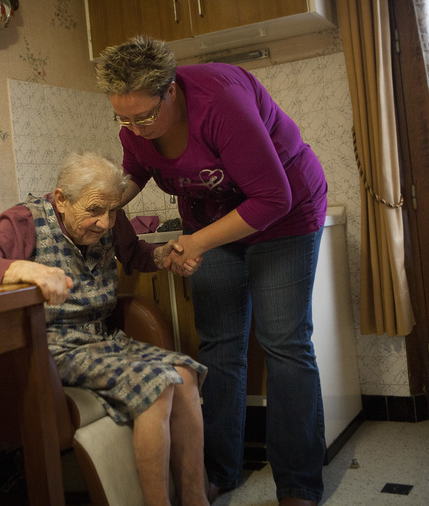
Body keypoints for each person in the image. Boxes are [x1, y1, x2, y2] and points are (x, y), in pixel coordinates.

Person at [94, 36, 329, 506]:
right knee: (220, 346)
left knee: (284, 343)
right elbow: (135, 171)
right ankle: (221, 470)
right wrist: (98, 203)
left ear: (171, 92)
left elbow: (273, 197)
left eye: (144, 117)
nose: (135, 129)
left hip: (284, 216)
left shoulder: (220, 103)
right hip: (211, 220)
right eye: (123, 117)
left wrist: (194, 242)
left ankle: (299, 484)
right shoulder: (133, 130)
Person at [0, 151, 210, 506]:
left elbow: (133, 253)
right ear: (61, 199)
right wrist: (24, 270)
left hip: (101, 338)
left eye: (112, 210)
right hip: (52, 347)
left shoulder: (108, 217)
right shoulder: (24, 220)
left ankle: (196, 499)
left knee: (184, 373)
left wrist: (163, 254)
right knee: (159, 384)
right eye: (93, 211)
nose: (105, 222)